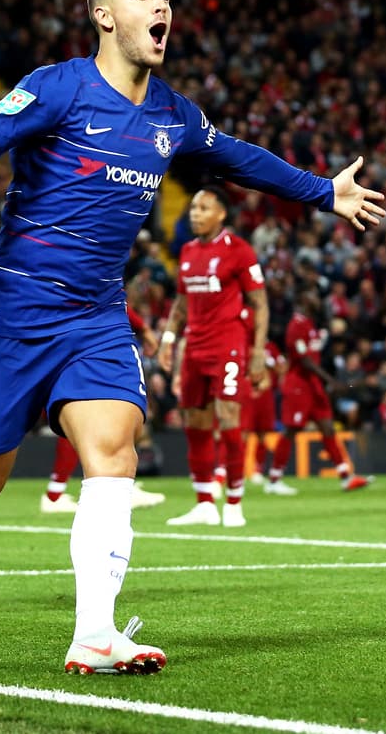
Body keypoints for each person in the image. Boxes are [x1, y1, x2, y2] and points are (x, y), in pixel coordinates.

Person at [0, 0, 385, 674]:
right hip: (12, 310)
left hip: (95, 316)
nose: (162, 5)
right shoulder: (57, 86)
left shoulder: (172, 114)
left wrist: (323, 192)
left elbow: (237, 157)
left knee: (114, 452)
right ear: (104, 15)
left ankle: (94, 633)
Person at [158, 186, 268, 528]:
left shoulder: (239, 250)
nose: (195, 213)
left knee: (229, 418)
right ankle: (205, 503)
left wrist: (258, 351)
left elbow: (260, 304)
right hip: (195, 347)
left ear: (221, 214)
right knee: (195, 423)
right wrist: (168, 339)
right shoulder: (187, 251)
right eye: (193, 207)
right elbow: (181, 304)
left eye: (204, 208)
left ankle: (234, 501)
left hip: (228, 345)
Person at [42, 302, 165, 513]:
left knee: (85, 418)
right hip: (87, 342)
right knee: (98, 416)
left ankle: (60, 492)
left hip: (71, 339)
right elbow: (108, 295)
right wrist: (142, 328)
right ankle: (60, 494)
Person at [264, 287, 373, 494]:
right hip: (299, 385)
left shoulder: (310, 324)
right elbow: (304, 360)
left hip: (313, 385)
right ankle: (274, 480)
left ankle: (346, 477)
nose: (317, 299)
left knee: (328, 427)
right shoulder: (296, 325)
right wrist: (330, 380)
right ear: (303, 300)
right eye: (312, 295)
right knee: (291, 430)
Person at [242, 310, 286, 485]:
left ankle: (258, 469)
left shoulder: (270, 348)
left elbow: (282, 368)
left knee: (262, 433)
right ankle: (239, 469)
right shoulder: (243, 345)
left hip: (266, 395)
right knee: (243, 433)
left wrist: (268, 362)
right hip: (247, 394)